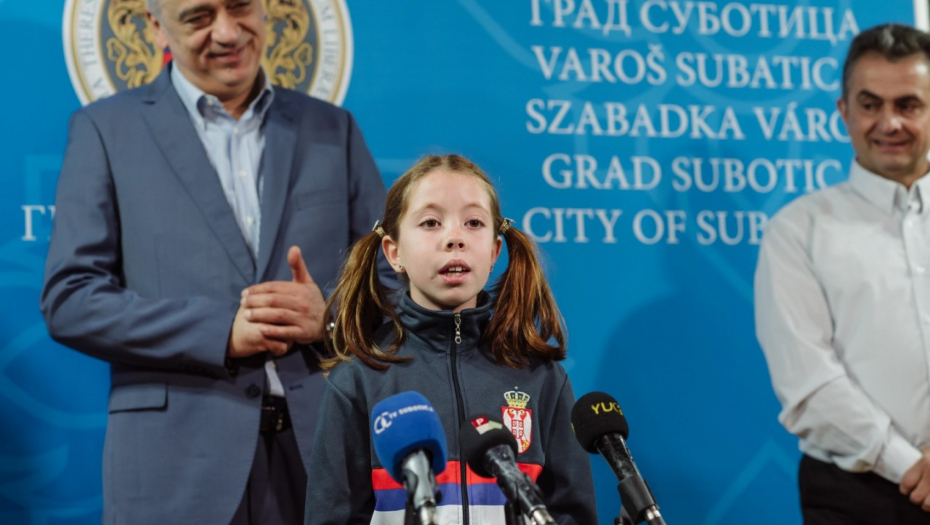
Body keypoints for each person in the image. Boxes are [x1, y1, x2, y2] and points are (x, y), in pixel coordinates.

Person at [39, 0, 388, 523]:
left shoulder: (332, 129)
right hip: (173, 470)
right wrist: (220, 331)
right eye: (199, 17)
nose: (227, 32)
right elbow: (70, 299)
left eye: (240, 6)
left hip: (325, 458)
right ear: (157, 27)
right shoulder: (105, 130)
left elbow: (393, 282)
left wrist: (332, 319)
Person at [303, 154, 597, 524]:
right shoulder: (358, 381)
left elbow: (572, 514)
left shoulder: (543, 379)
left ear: (494, 251)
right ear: (394, 252)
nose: (455, 238)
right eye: (430, 222)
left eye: (474, 223)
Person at [755, 23, 930, 524]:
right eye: (871, 104)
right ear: (844, 111)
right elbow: (807, 382)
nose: (889, 123)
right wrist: (911, 466)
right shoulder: (798, 230)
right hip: (854, 498)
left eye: (909, 105)